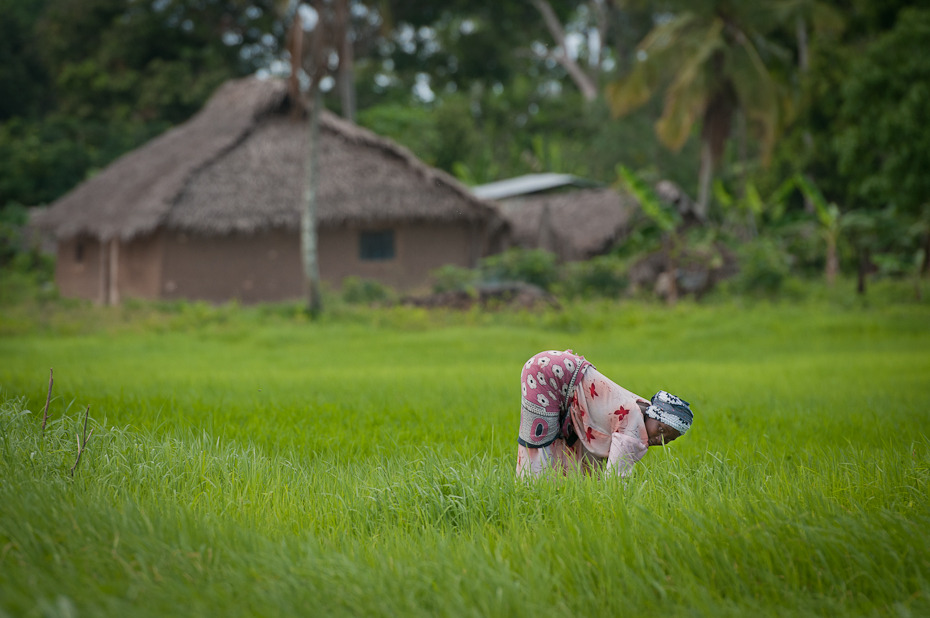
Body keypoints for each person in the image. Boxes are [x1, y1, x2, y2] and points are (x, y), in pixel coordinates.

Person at [516, 349, 693, 478]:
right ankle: (530, 491)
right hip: (548, 374)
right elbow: (616, 477)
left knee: (553, 441)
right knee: (539, 440)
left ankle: (542, 487)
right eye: (661, 429)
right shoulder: (633, 431)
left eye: (668, 439)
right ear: (654, 415)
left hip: (553, 366)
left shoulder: (640, 406)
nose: (660, 439)